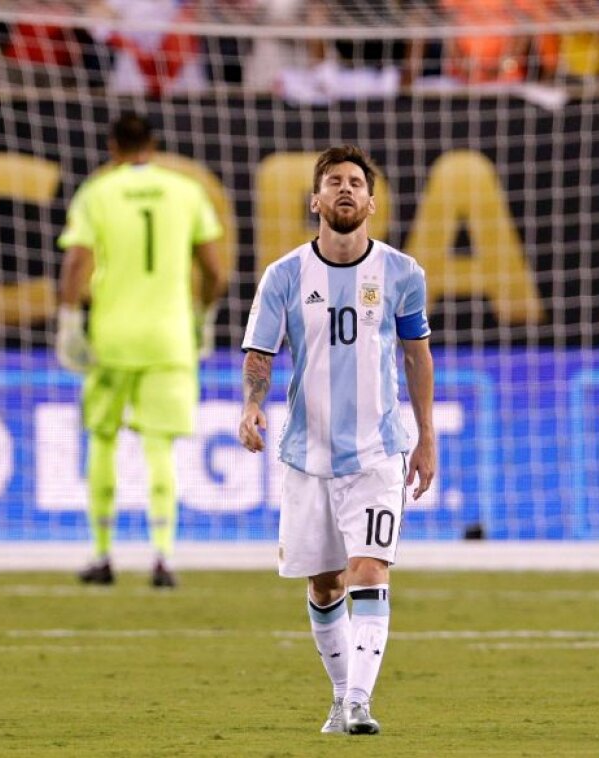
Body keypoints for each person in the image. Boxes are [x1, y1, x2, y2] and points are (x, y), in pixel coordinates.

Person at [237, 145, 436, 735]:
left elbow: (416, 356)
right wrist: (252, 405)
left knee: (369, 571)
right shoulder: (284, 275)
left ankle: (358, 704)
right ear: (316, 201)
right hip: (307, 456)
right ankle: (340, 696)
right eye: (334, 182)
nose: (345, 190)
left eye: (355, 182)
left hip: (378, 453)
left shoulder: (403, 273)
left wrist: (427, 438)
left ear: (372, 202)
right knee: (324, 586)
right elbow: (260, 353)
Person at [55, 112, 225, 589]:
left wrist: (69, 322)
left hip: (112, 338)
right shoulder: (186, 191)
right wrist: (203, 315)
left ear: (113, 146)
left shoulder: (97, 192)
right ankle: (163, 557)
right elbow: (214, 270)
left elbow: (77, 264)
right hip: (170, 337)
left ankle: (103, 554)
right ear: (154, 143)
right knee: (160, 448)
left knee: (104, 441)